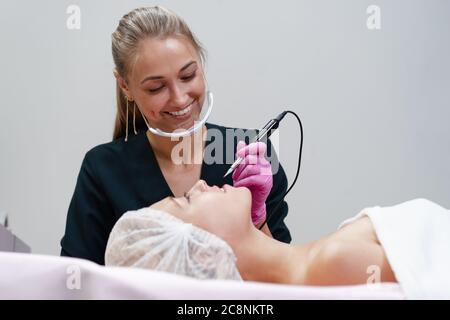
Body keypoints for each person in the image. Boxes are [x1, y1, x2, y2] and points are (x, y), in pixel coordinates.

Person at [60, 6, 291, 265]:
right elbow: (77, 280)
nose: (180, 98)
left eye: (188, 75)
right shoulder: (103, 170)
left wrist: (258, 220)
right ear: (126, 86)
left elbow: (282, 278)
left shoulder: (249, 151)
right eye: (156, 87)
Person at [105, 178, 397, 286]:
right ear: (205, 254)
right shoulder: (335, 262)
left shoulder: (319, 264)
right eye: (187, 198)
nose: (199, 184)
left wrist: (258, 221)